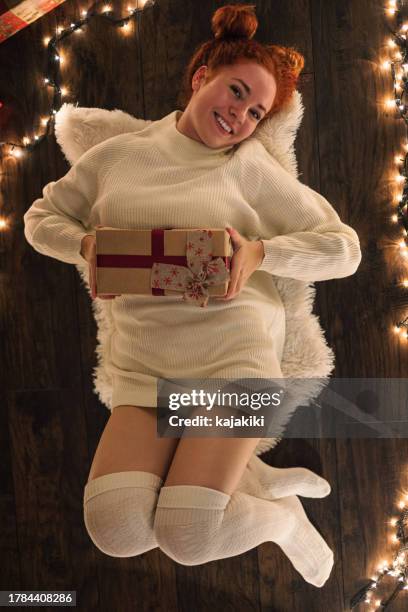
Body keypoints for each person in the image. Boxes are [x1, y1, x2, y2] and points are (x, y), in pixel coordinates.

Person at [23, 3, 361, 588]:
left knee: (188, 536)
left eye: (257, 111)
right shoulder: (118, 157)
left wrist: (260, 252)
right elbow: (40, 217)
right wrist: (85, 248)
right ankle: (253, 476)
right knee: (117, 530)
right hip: (145, 369)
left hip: (235, 367)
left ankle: (279, 518)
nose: (241, 116)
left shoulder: (247, 166)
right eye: (236, 92)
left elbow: (343, 248)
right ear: (201, 76)